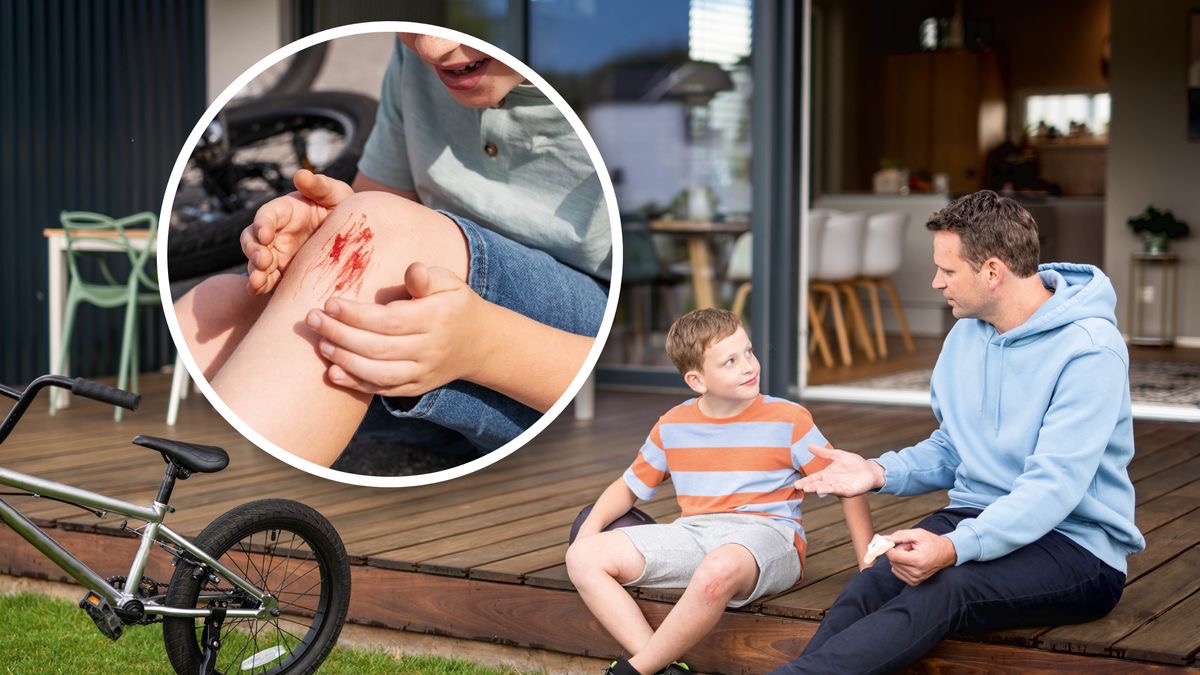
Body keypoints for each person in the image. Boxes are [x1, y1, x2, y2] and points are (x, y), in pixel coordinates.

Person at [174, 33, 611, 466]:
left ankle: (209, 525)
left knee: (375, 229)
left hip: (554, 371)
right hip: (416, 376)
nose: (431, 51)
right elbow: (375, 206)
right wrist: (324, 234)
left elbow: (667, 366)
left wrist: (484, 347)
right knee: (217, 306)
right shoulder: (417, 63)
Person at [771, 190, 1145, 674]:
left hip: (1076, 546)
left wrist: (953, 547)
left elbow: (1053, 488)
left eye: (947, 271)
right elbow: (954, 446)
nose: (935, 282)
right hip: (976, 516)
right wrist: (877, 471)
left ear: (992, 272)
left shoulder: (1090, 350)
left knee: (947, 587)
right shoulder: (967, 332)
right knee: (874, 582)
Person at [566, 308, 873, 675]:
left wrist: (867, 563)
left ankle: (633, 671)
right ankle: (664, 667)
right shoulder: (673, 425)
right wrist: (586, 535)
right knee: (582, 557)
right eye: (730, 361)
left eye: (749, 351)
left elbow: (847, 483)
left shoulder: (789, 419)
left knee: (719, 567)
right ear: (697, 380)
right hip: (694, 534)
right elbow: (627, 486)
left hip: (770, 537)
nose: (748, 366)